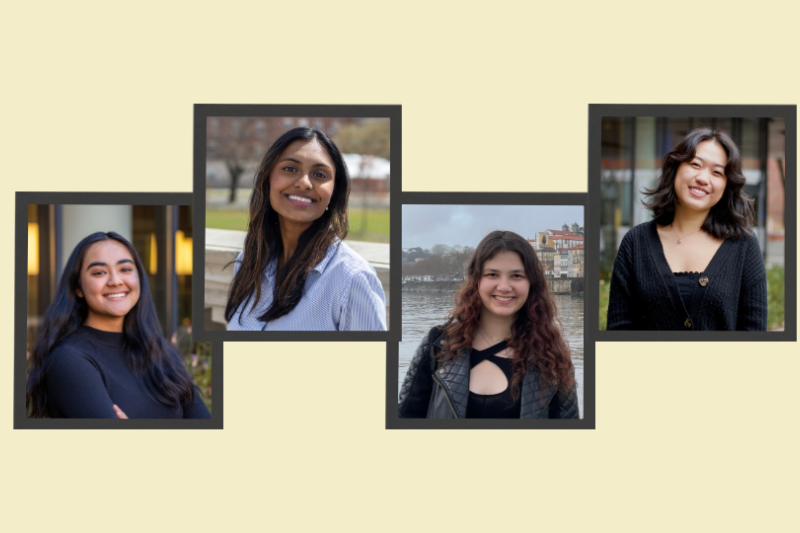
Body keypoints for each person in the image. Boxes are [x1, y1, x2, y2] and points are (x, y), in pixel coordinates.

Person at [26, 232, 211, 419]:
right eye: (99, 272)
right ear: (78, 288)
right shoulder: (68, 360)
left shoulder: (161, 352)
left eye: (125, 269)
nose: (115, 281)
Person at [398, 231, 579, 419]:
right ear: (476, 280)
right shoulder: (437, 345)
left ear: (532, 283)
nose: (504, 286)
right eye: (493, 274)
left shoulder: (551, 355)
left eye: (516, 276)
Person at [225, 127, 386, 331]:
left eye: (320, 174)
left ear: (334, 191)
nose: (304, 183)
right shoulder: (247, 262)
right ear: (267, 178)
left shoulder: (352, 279)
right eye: (290, 169)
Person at [607, 128, 768, 331]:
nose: (703, 178)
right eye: (695, 164)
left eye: (717, 172)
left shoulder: (743, 245)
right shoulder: (635, 242)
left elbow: (754, 336)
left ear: (727, 185)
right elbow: (618, 331)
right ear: (676, 168)